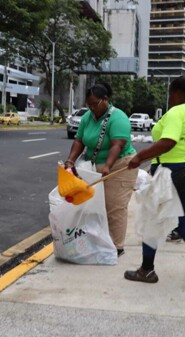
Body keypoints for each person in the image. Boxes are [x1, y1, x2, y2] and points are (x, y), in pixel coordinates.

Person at [124, 75, 185, 284]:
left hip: (169, 174)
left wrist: (140, 157)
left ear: (177, 92)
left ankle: (147, 270)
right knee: (182, 220)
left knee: (152, 219)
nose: (169, 97)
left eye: (170, 93)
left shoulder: (176, 113)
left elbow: (168, 142)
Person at [63, 82, 138, 257]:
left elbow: (118, 144)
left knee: (114, 206)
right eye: (88, 105)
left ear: (106, 100)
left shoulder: (118, 117)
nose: (92, 108)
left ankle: (116, 247)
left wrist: (108, 167)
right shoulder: (88, 117)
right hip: (95, 165)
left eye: (95, 104)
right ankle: (98, 240)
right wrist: (70, 161)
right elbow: (79, 140)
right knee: (93, 207)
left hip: (120, 165)